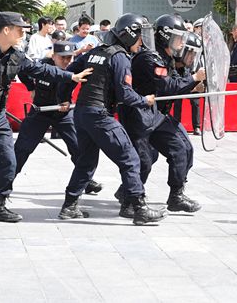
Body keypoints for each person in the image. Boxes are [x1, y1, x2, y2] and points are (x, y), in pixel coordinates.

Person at [0, 12, 93, 224]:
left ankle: (0, 207)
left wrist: (71, 76)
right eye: (20, 30)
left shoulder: (16, 55)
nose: (23, 34)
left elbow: (41, 70)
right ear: (6, 30)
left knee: (9, 162)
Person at [58, 13, 166, 225]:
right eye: (140, 37)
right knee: (131, 159)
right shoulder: (120, 57)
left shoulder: (94, 52)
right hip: (100, 115)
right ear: (129, 35)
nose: (142, 42)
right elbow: (125, 94)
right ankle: (139, 209)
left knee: (86, 162)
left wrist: (64, 98)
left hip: (81, 114)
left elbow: (69, 75)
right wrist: (144, 100)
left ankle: (69, 206)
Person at [117, 13, 205, 217]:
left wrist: (193, 84)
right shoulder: (150, 57)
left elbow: (177, 83)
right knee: (144, 161)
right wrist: (194, 78)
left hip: (156, 114)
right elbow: (167, 86)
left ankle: (176, 196)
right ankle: (129, 202)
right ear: (166, 36)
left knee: (181, 149)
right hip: (137, 114)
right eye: (179, 37)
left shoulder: (168, 58)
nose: (182, 42)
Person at [12, 41, 102, 193]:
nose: (66, 61)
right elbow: (22, 71)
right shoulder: (41, 66)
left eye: (69, 58)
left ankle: (85, 181)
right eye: (62, 58)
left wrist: (67, 101)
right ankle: (5, 181)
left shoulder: (76, 69)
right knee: (22, 148)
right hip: (40, 112)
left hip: (63, 114)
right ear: (53, 56)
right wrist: (31, 88)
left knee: (79, 148)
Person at [172, 32, 202, 135]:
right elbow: (176, 88)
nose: (193, 57)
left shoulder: (184, 67)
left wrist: (196, 87)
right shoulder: (170, 65)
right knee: (177, 102)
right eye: (190, 53)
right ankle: (176, 124)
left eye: (195, 54)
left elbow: (183, 86)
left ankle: (196, 126)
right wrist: (195, 81)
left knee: (195, 100)